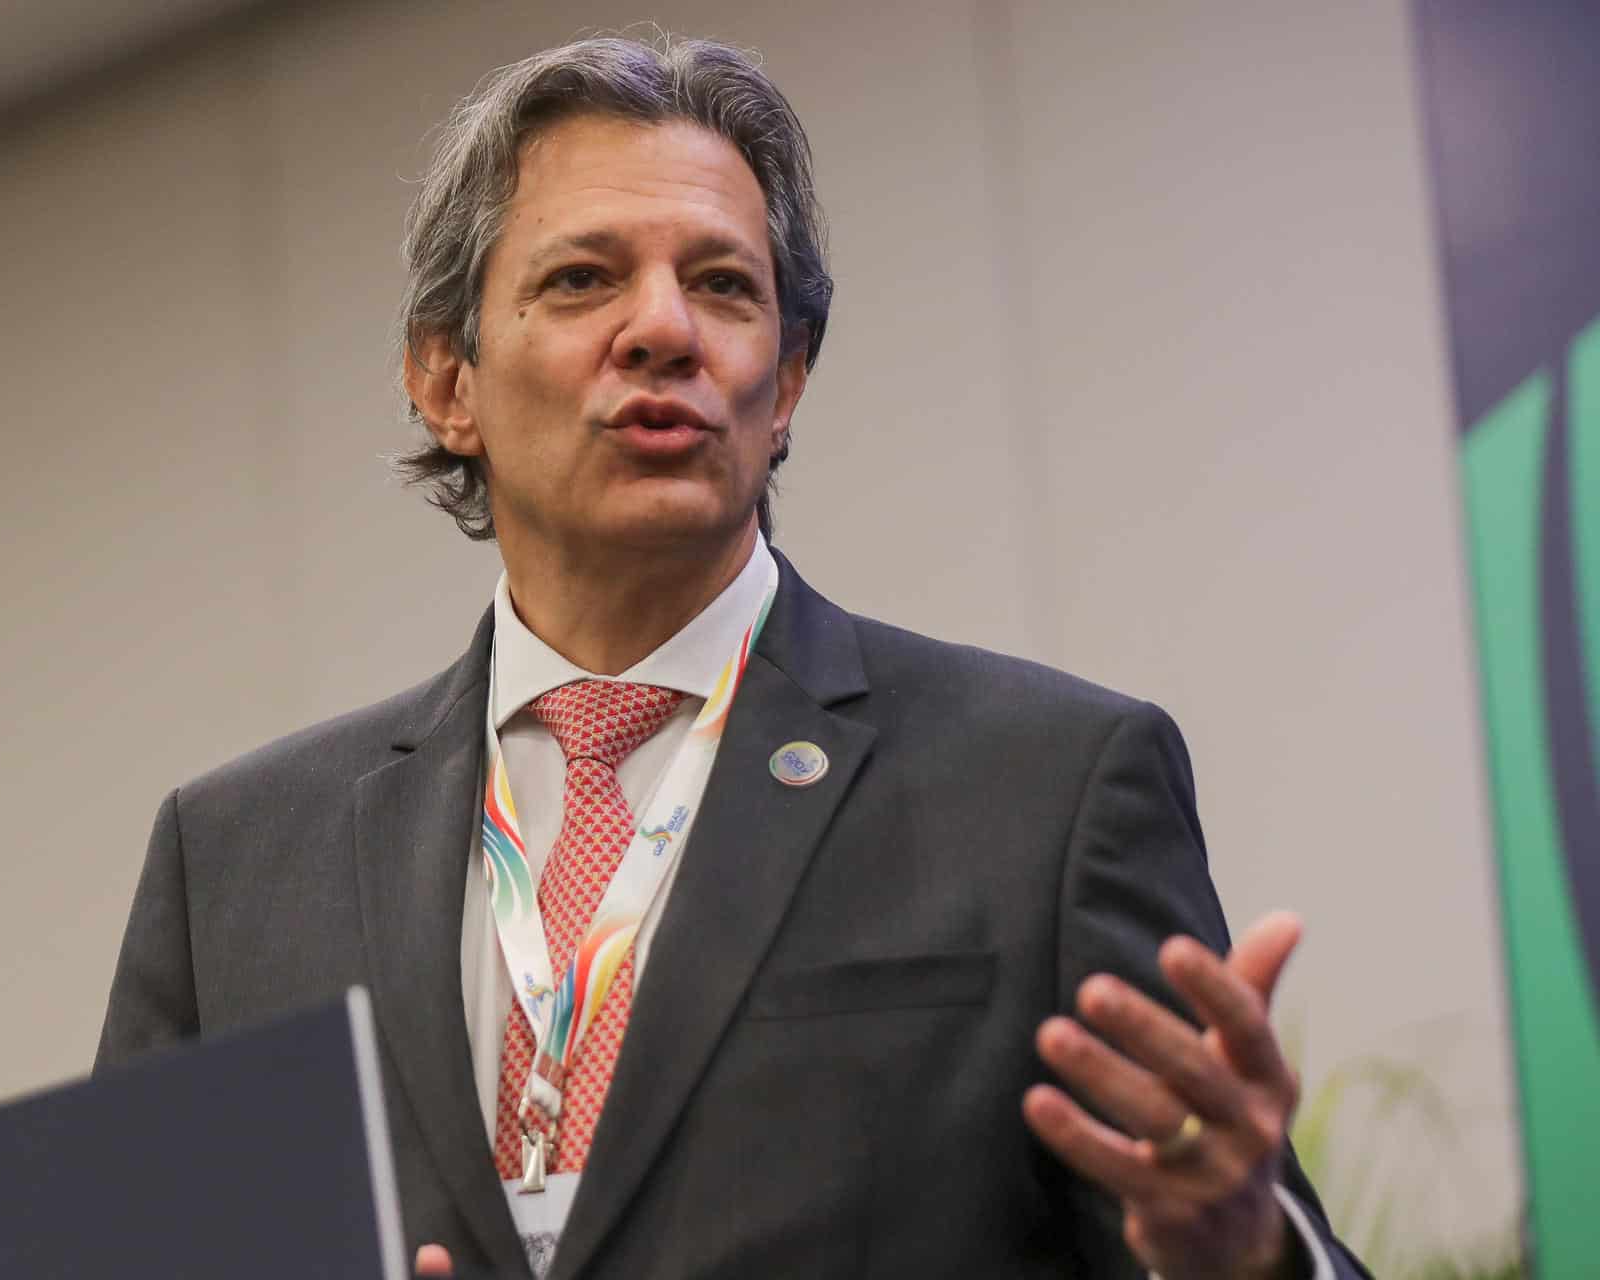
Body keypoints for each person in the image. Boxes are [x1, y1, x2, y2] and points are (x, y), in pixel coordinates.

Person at [96, 34, 1366, 1280]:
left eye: (722, 285)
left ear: (789, 382)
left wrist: (1245, 1258)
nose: (663, 329)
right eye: (584, 278)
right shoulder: (239, 868)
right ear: (447, 381)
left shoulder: (1044, 788)